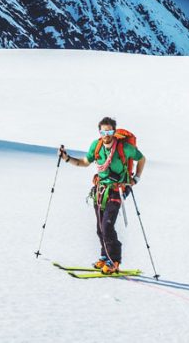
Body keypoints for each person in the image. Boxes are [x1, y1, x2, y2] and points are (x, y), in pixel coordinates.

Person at [59, 117, 146, 274]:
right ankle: (105, 257)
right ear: (100, 131)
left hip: (117, 189)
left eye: (109, 131)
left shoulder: (124, 147)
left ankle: (114, 261)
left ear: (114, 131)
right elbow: (85, 162)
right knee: (100, 228)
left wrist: (136, 178)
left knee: (107, 226)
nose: (106, 134)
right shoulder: (97, 146)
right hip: (100, 190)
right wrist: (67, 158)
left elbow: (142, 159)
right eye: (103, 131)